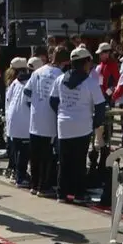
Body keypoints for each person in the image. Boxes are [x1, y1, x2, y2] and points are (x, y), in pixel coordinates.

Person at [49, 46, 105, 204]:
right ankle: (79, 194)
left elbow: (53, 101)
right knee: (79, 162)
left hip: (63, 125)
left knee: (64, 161)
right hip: (82, 126)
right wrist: (95, 123)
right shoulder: (90, 82)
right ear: (85, 62)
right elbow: (100, 106)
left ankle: (62, 193)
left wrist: (62, 112)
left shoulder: (60, 79)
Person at [25, 46, 68, 198]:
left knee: (35, 155)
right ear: (65, 61)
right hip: (49, 121)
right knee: (47, 156)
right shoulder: (61, 75)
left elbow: (27, 91)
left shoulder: (38, 71)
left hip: (35, 120)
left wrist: (36, 102)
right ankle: (43, 187)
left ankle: (34, 184)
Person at [4, 57, 33, 188]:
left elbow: (8, 100)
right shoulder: (29, 82)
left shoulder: (14, 82)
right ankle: (20, 176)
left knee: (17, 149)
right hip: (23, 122)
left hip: (12, 122)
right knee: (23, 151)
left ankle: (17, 172)